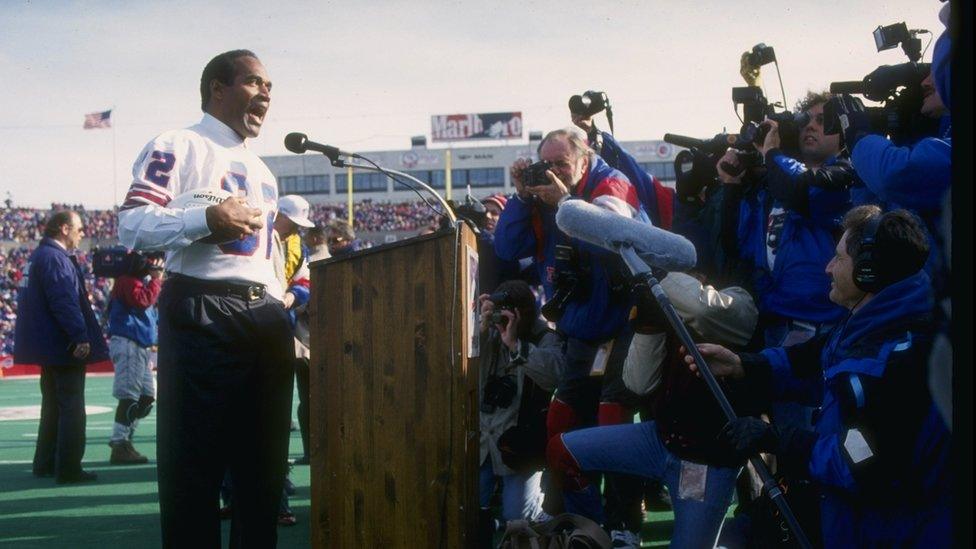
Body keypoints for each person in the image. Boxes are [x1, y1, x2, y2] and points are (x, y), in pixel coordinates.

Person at [688, 206, 950, 547]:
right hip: (853, 514)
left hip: (886, 530)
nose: (827, 267)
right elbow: (813, 361)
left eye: (838, 258)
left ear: (867, 272)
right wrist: (743, 365)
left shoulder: (902, 360)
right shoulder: (873, 320)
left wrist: (777, 439)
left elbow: (859, 462)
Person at [117, 49, 294, 548]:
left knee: (263, 473)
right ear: (218, 87)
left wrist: (284, 304)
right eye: (256, 82)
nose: (266, 94)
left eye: (271, 86)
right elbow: (131, 226)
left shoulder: (262, 170)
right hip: (203, 306)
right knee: (194, 471)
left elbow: (267, 256)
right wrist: (204, 220)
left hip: (264, 315)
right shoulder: (180, 144)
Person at [494, 128, 643, 546]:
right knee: (562, 426)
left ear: (584, 158)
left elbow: (610, 234)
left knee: (614, 427)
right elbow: (507, 246)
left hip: (622, 327)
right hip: (578, 332)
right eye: (548, 163)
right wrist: (523, 196)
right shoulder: (542, 196)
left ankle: (624, 526)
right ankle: (579, 522)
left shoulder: (611, 182)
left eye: (562, 163)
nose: (554, 172)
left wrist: (563, 202)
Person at [547, 269, 760, 548]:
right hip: (659, 439)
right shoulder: (664, 304)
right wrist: (649, 324)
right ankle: (591, 535)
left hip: (706, 461)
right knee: (562, 452)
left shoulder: (738, 298)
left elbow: (702, 309)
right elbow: (638, 385)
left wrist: (658, 279)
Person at [15, 210, 108, 484]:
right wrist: (80, 336)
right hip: (62, 345)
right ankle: (68, 468)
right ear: (65, 229)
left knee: (52, 405)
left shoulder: (38, 256)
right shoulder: (55, 258)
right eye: (79, 229)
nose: (82, 234)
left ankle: (44, 462)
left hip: (47, 345)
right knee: (71, 407)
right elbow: (64, 301)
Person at [477, 280, 562, 546]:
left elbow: (554, 375)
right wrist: (476, 332)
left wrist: (514, 344)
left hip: (520, 443)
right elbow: (463, 375)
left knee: (517, 517)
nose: (504, 319)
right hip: (483, 439)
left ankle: (540, 509)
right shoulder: (486, 329)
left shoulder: (544, 335)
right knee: (472, 505)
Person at [106, 251, 164, 465]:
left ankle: (125, 438)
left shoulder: (137, 281)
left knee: (147, 397)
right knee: (130, 397)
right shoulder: (127, 281)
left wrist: (154, 280)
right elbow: (142, 300)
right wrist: (156, 280)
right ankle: (119, 443)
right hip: (128, 342)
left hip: (139, 345)